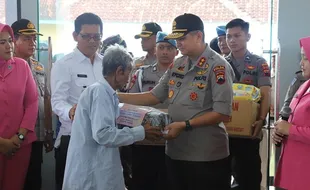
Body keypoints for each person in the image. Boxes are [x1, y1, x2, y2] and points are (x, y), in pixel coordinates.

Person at [118, 13, 234, 190]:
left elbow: (222, 113)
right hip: (175, 153)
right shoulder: (178, 64)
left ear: (199, 36)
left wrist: (184, 124)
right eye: (176, 39)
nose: (178, 43)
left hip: (205, 156)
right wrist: (115, 96)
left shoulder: (218, 66)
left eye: (182, 38)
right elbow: (154, 96)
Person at [62, 44, 162, 190]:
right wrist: (141, 132)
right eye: (129, 71)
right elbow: (103, 135)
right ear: (119, 71)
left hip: (97, 168)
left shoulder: (107, 93)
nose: (129, 77)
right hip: (92, 174)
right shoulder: (100, 93)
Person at [51, 12, 103, 190]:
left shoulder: (105, 64)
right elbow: (57, 102)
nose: (92, 41)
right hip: (72, 138)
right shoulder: (64, 64)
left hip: (101, 139)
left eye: (96, 37)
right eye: (86, 36)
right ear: (75, 36)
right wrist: (71, 111)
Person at [225, 18, 271, 190]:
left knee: (248, 178)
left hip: (249, 130)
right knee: (219, 176)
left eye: (237, 36)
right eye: (229, 36)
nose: (232, 40)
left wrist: (261, 119)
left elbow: (265, 92)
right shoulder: (221, 63)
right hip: (224, 131)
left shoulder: (259, 63)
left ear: (248, 36)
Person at [129, 31, 178, 190]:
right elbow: (131, 102)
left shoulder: (183, 75)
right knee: (142, 182)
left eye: (169, 48)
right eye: (161, 47)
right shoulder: (141, 73)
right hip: (145, 138)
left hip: (174, 140)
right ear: (155, 50)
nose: (165, 52)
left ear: (176, 52)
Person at [10, 18, 54, 190]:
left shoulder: (38, 67)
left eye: (34, 39)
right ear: (14, 40)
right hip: (15, 136)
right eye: (27, 38)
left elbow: (46, 99)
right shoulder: (7, 66)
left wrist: (48, 132)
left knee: (34, 180)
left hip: (36, 134)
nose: (32, 43)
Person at [0, 23, 38, 190]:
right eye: (2, 42)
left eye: (10, 40)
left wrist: (19, 137)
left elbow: (32, 102)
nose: (9, 46)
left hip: (19, 146)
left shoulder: (22, 67)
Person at [272, 36, 310, 190]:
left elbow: (293, 128)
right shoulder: (304, 84)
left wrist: (290, 129)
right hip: (292, 171)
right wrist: (281, 131)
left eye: (306, 58)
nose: (301, 63)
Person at [126, 22, 162, 90]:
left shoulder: (165, 63)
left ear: (157, 38)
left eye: (146, 38)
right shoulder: (136, 62)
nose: (142, 42)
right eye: (142, 39)